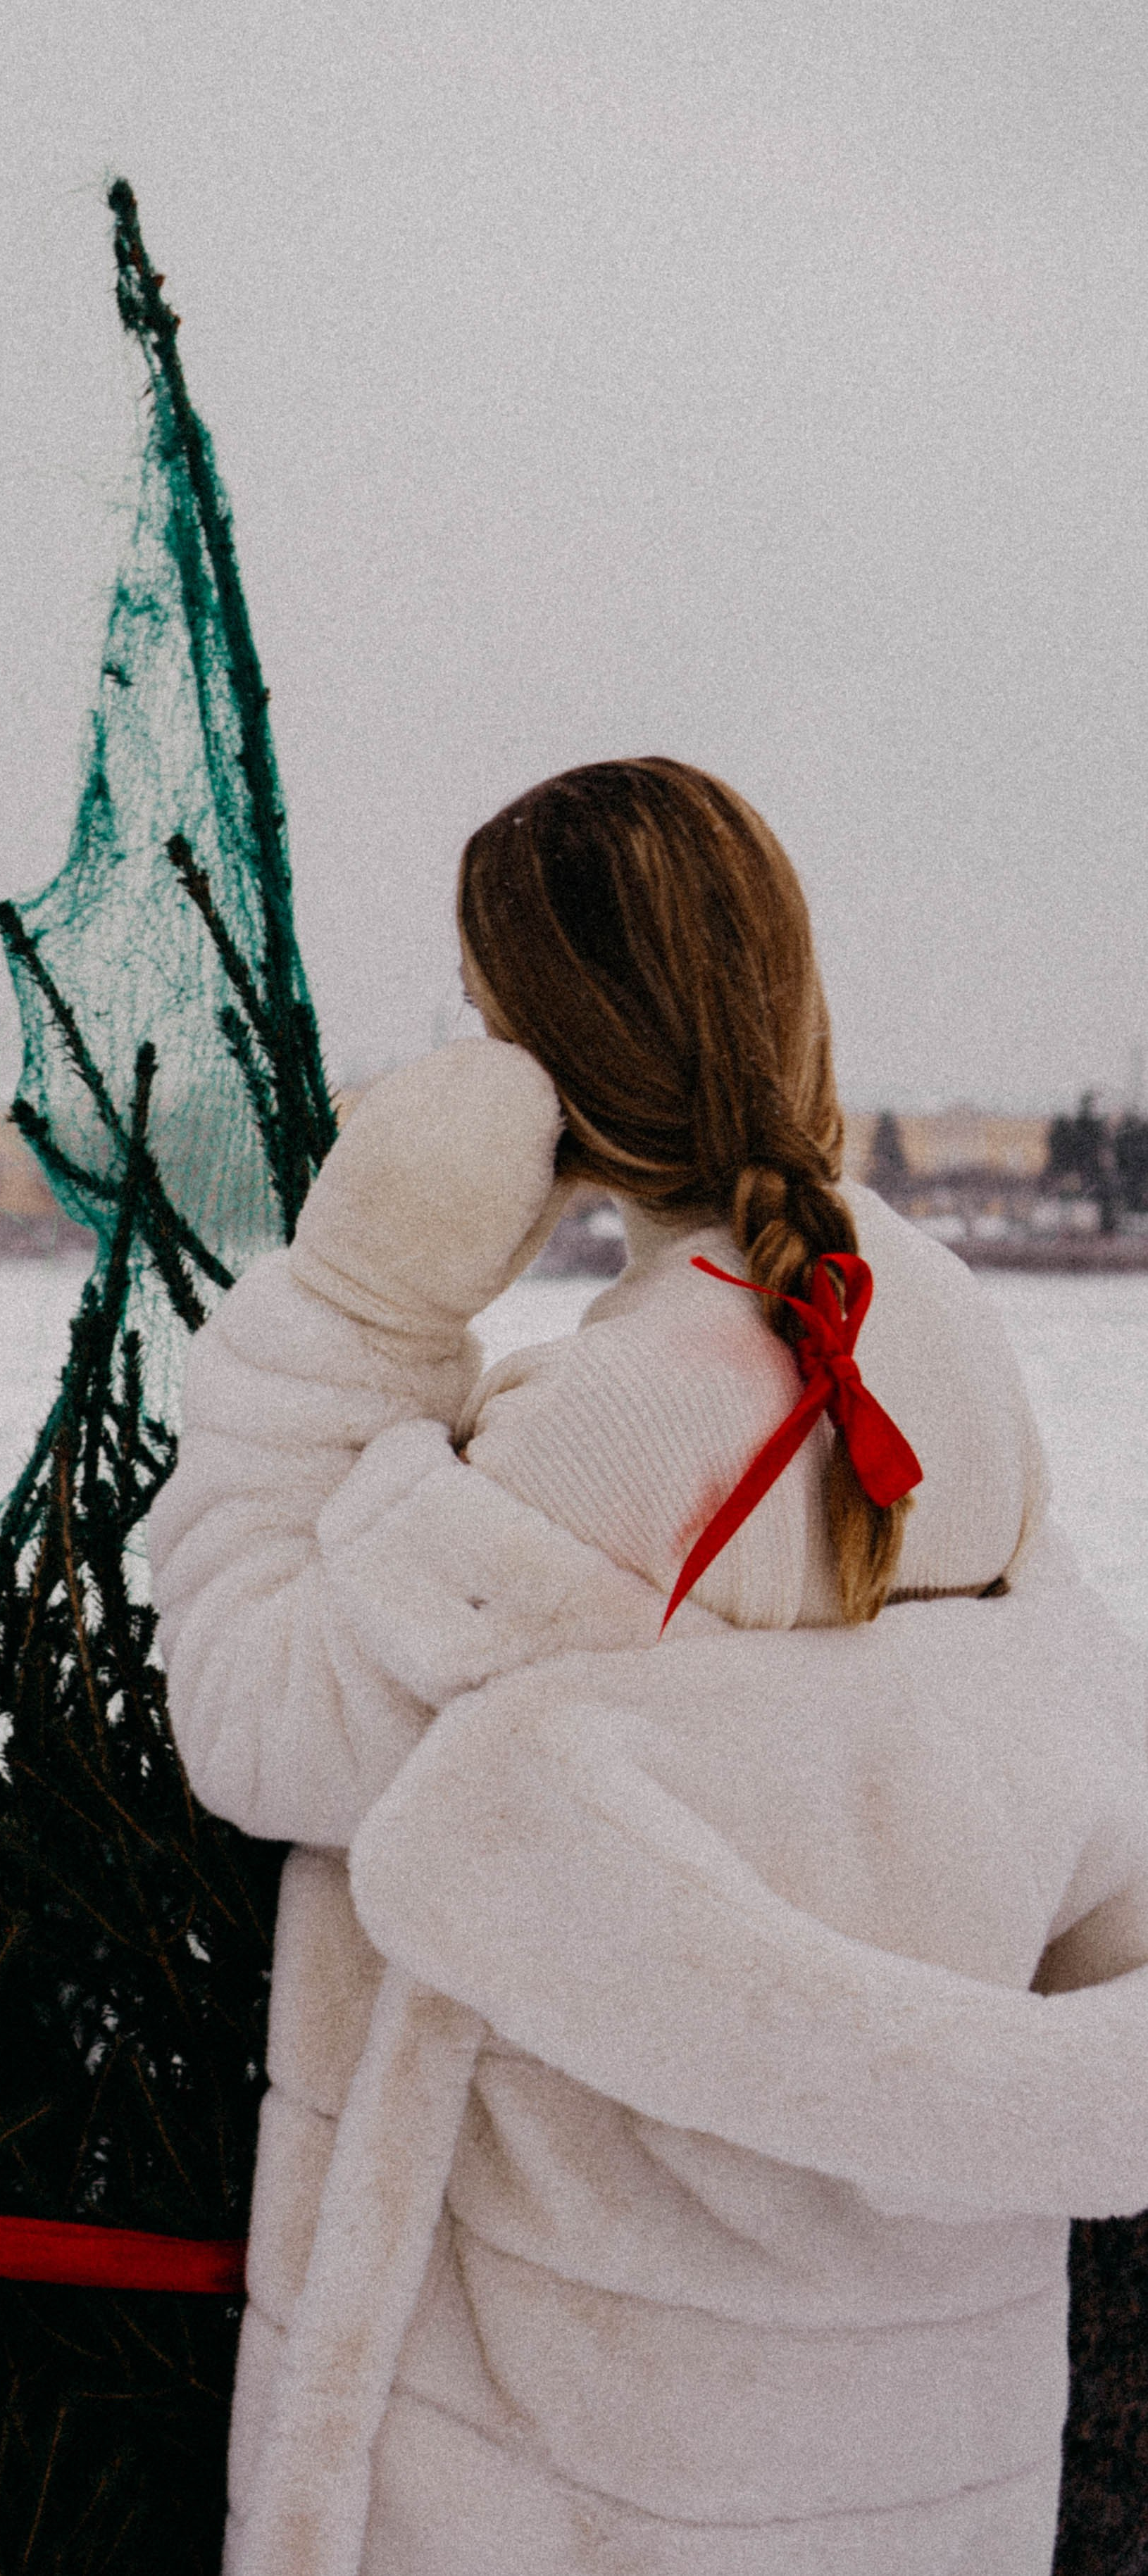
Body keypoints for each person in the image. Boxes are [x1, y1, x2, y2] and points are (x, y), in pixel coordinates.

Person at [146, 758, 1148, 2576]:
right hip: (903, 2414)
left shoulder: (620, 1421)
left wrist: (357, 1309)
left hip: (591, 2432)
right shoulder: (930, 1316)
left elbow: (263, 1720)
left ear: (530, 1061)